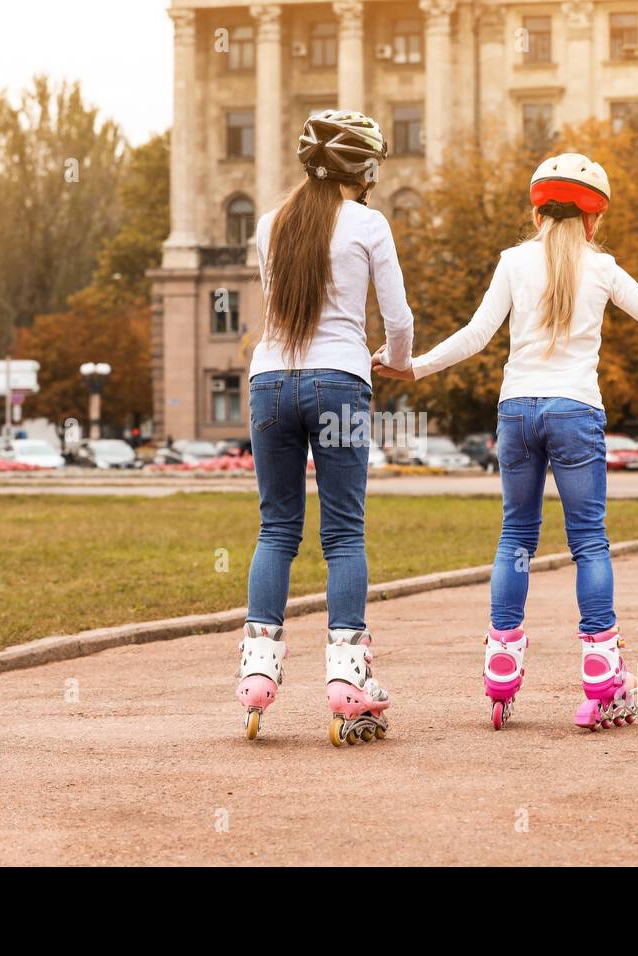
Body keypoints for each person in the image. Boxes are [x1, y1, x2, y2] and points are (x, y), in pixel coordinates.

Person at [374, 153, 638, 731]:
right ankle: (603, 676)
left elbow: (477, 335)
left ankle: (502, 664)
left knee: (515, 535)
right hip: (576, 411)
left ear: (537, 216)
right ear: (592, 221)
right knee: (589, 542)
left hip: (517, 410)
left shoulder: (512, 262)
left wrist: (417, 367)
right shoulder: (602, 269)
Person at [235, 110, 414, 746]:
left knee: (276, 527)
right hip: (339, 383)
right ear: (363, 170)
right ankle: (347, 682)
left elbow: (273, 303)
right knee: (343, 531)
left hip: (269, 385)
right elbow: (398, 319)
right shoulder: (369, 224)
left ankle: (258, 675)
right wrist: (396, 362)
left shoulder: (269, 224)